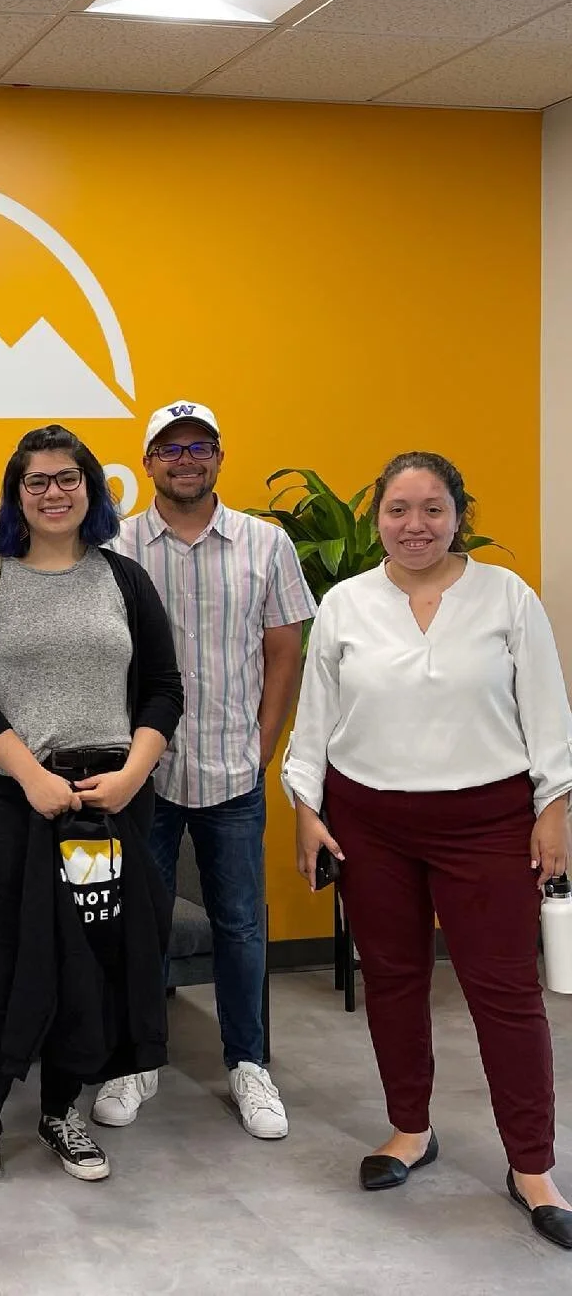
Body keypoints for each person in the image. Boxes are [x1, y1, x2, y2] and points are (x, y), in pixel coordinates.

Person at [286, 450, 572, 1249]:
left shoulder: (505, 596)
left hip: (487, 818)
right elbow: (317, 719)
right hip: (369, 817)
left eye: (432, 508)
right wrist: (307, 808)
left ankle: (532, 1165)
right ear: (377, 517)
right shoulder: (346, 603)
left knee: (506, 993)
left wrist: (555, 807)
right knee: (394, 980)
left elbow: (548, 710)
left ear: (459, 513)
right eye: (398, 510)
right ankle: (409, 1129)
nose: (415, 525)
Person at [0, 424, 183, 1202]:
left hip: (111, 805)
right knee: (8, 960)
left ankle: (60, 1111)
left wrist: (134, 773)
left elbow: (163, 688)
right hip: (20, 796)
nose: (53, 492)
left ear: (92, 489)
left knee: (90, 964)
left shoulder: (125, 580)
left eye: (67, 478)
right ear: (15, 494)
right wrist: (31, 771)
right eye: (36, 480)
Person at [104, 401, 315, 1139]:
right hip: (144, 775)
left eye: (199, 446)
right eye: (169, 448)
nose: (184, 459)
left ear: (219, 457)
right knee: (141, 922)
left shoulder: (267, 543)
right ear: (147, 463)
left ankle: (248, 1064)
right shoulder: (116, 543)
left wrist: (263, 746)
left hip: (233, 769)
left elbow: (284, 650)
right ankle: (137, 1060)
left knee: (238, 923)